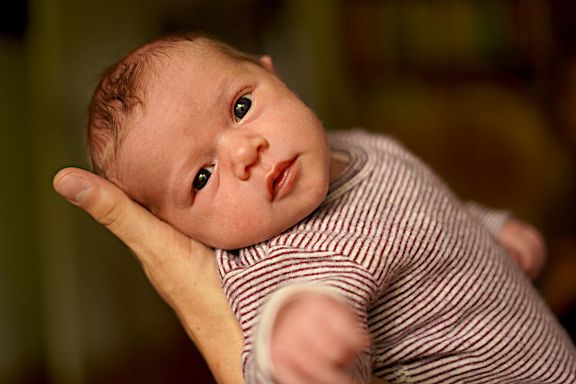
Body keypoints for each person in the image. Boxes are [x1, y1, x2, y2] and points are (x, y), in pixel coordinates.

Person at [65, 33, 575, 383]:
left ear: (274, 75)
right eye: (202, 176)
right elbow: (268, 341)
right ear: (180, 229)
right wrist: (291, 345)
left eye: (241, 108)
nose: (245, 153)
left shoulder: (358, 146)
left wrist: (487, 229)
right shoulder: (283, 263)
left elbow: (424, 210)